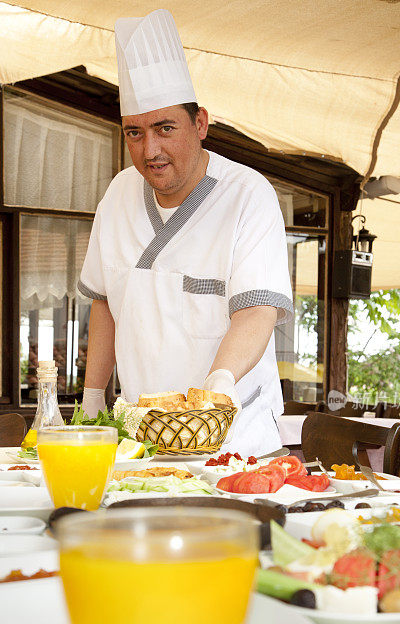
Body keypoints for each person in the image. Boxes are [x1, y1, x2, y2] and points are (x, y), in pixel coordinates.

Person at [79, 9, 292, 456]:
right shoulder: (118, 195)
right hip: (142, 438)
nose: (149, 150)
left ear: (200, 124)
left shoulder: (248, 196)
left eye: (165, 128)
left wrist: (219, 384)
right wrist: (93, 396)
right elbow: (104, 302)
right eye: (134, 133)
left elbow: (257, 312)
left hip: (234, 438)